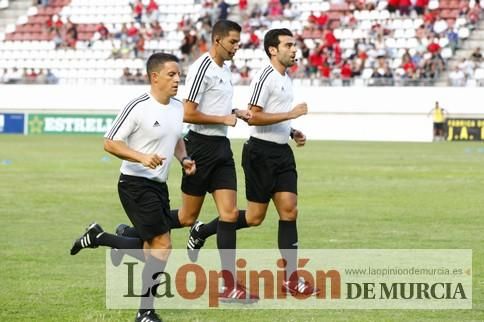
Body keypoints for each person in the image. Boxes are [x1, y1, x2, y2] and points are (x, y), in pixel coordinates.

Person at [187, 28, 319, 296]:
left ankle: (292, 279)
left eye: (294, 45)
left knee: (290, 210)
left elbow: (276, 115)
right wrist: (292, 114)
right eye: (289, 45)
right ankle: (203, 230)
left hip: (282, 153)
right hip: (260, 154)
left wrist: (291, 130)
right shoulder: (265, 77)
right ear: (273, 49)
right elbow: (255, 117)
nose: (294, 50)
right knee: (256, 217)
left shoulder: (287, 78)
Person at [69, 52, 196, 322]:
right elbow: (110, 142)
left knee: (153, 250)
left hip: (159, 186)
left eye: (179, 74)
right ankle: (144, 313)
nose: (178, 79)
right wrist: (142, 157)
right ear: (155, 77)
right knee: (162, 246)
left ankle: (102, 238)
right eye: (172, 74)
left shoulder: (177, 107)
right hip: (134, 184)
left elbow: (176, 139)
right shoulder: (138, 106)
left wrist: (183, 158)